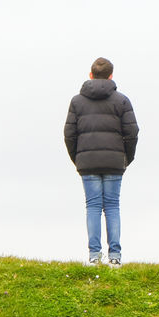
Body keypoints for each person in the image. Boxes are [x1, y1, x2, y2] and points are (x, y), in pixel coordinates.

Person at [63, 56, 139, 267]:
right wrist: (126, 158)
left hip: (87, 162)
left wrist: (78, 158)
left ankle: (94, 256)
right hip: (114, 161)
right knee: (112, 206)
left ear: (90, 75)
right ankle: (115, 257)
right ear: (111, 76)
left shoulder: (77, 101)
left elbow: (69, 134)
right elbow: (132, 133)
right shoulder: (121, 101)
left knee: (93, 207)